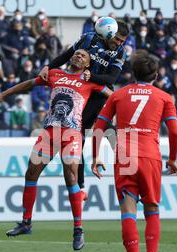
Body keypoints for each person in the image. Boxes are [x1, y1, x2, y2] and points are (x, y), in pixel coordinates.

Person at [0, 49, 112, 250]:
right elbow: (30, 83)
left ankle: (78, 229)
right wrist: (3, 94)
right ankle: (26, 222)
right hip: (48, 132)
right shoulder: (55, 74)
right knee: (30, 173)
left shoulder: (90, 80)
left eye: (83, 56)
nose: (78, 56)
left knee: (71, 177)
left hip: (71, 133)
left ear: (88, 65)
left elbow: (113, 96)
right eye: (77, 54)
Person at [91, 52, 177, 252]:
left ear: (133, 73)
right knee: (152, 209)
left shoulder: (118, 95)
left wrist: (96, 156)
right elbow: (174, 132)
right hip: (150, 155)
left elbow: (99, 127)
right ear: (156, 75)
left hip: (125, 156)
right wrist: (171, 159)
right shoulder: (164, 97)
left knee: (127, 211)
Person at [38, 20, 129, 200]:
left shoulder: (120, 52)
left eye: (123, 40)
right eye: (118, 39)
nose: (120, 43)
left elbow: (112, 77)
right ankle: (80, 186)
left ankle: (123, 170)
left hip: (98, 94)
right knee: (78, 134)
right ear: (109, 33)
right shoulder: (87, 39)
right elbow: (66, 55)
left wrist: (92, 76)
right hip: (78, 89)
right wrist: (49, 66)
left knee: (86, 133)